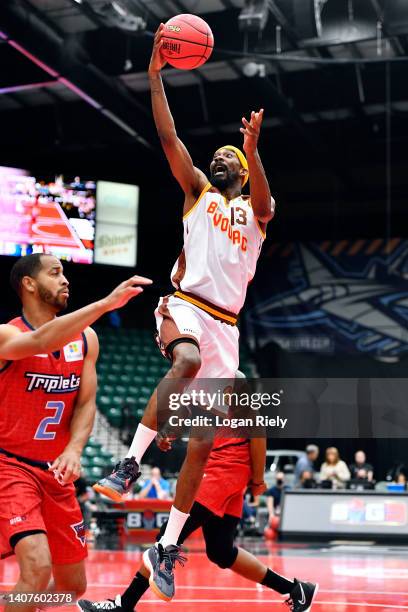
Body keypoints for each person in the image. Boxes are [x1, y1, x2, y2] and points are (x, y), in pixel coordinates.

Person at [93, 23, 275, 601]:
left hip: (229, 326)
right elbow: (169, 136)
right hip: (188, 307)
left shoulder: (254, 214)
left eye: (231, 158)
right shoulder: (197, 191)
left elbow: (267, 202)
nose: (220, 159)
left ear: (242, 173)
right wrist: (153, 78)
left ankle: (167, 547)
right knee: (187, 360)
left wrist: (252, 151)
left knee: (201, 441)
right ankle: (127, 465)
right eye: (219, 155)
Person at [0, 253, 151, 612]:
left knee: (71, 589)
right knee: (36, 571)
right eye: (55, 273)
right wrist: (106, 303)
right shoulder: (7, 335)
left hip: (55, 473)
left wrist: (75, 450)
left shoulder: (86, 340)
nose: (65, 279)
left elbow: (85, 405)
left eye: (65, 272)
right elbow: (41, 342)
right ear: (29, 284)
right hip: (10, 466)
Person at [78, 433, 318, 612]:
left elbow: (257, 433)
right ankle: (296, 590)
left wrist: (257, 479)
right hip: (222, 469)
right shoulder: (206, 388)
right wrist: (170, 431)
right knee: (221, 551)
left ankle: (124, 605)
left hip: (223, 471)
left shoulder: (233, 383)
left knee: (168, 535)